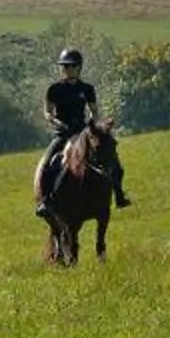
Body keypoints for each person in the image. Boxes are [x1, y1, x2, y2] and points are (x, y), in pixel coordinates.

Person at [33, 46, 129, 218]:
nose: (67, 70)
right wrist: (56, 122)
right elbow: (47, 112)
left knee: (110, 158)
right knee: (48, 163)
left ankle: (119, 194)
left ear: (79, 67)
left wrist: (94, 124)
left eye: (71, 66)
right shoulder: (54, 89)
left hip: (84, 132)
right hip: (63, 133)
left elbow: (94, 111)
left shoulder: (87, 89)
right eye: (64, 66)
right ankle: (45, 201)